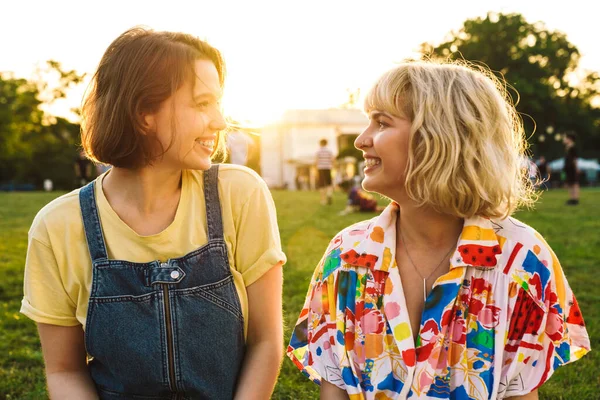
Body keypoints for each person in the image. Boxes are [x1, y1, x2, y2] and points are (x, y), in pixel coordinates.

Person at [287, 61, 590, 399]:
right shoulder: (346, 255)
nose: (361, 140)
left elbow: (520, 393)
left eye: (382, 122)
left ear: (439, 138)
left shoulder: (522, 261)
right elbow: (336, 390)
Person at [20, 27, 286, 399]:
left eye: (217, 103)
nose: (221, 122)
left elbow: (266, 342)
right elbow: (64, 369)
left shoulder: (240, 193)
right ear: (144, 112)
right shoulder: (57, 226)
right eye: (202, 103)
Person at [316, 138, 334, 205]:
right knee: (329, 183)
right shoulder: (329, 151)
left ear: (320, 143)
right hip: (328, 168)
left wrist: (315, 168)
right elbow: (332, 159)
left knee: (321, 184)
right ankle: (329, 194)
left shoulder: (318, 151)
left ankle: (323, 200)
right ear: (326, 143)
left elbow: (316, 160)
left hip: (320, 168)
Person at [563, 132, 580, 205]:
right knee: (570, 183)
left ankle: (575, 199)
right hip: (568, 168)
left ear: (569, 139)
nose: (564, 140)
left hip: (572, 168)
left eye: (565, 138)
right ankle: (572, 198)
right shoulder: (568, 148)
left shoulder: (573, 148)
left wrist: (576, 168)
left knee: (574, 183)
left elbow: (575, 159)